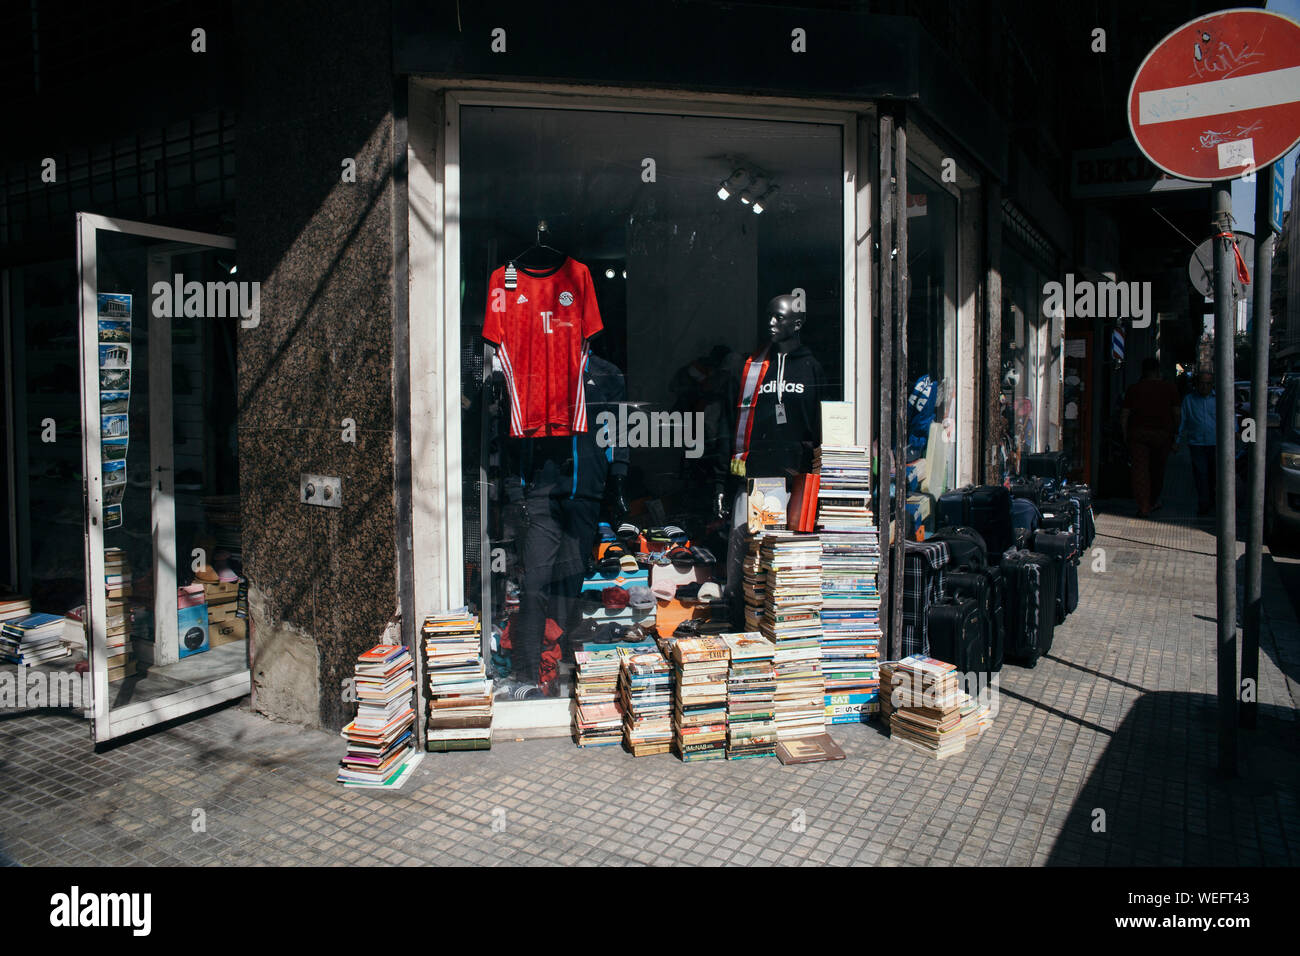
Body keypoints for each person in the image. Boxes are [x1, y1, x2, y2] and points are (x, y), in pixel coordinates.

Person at [1121, 357, 1181, 517]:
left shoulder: (1134, 389)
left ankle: (1144, 506)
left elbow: (1125, 415)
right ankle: (1153, 501)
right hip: (1162, 435)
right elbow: (1177, 413)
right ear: (1158, 371)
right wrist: (1175, 434)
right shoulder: (1169, 389)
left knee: (1140, 471)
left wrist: (1125, 435)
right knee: (1157, 470)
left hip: (1138, 434)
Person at [1176, 368, 1217, 516]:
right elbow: (1183, 421)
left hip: (1215, 443)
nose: (1204, 387)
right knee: (1201, 474)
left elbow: (1229, 417)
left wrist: (1236, 432)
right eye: (1202, 383)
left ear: (1212, 385)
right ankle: (1204, 503)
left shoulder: (1219, 399)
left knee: (1214, 475)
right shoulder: (1189, 400)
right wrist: (1177, 440)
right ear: (1196, 384)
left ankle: (1212, 500)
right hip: (1197, 443)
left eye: (1208, 384)